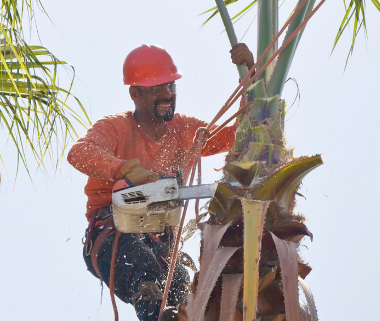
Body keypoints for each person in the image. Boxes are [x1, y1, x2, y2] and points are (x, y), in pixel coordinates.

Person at [67, 43, 255, 321]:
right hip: (113, 237)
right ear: (135, 94)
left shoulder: (185, 130)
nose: (167, 94)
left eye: (170, 87)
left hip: (160, 247)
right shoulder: (115, 127)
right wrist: (124, 169)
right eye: (157, 89)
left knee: (187, 290)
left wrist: (249, 78)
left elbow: (237, 136)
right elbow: (78, 153)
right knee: (145, 275)